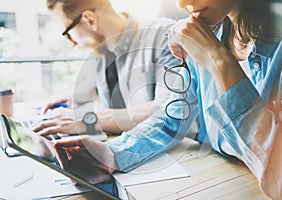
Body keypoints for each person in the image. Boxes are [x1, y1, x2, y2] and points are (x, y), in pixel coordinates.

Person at [53, 0, 282, 199]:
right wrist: (112, 154)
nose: (182, 4)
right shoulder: (205, 31)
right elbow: (172, 117)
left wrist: (218, 60)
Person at [32, 0, 190, 136]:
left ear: (89, 20)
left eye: (68, 34)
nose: (72, 44)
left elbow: (169, 110)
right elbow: (112, 93)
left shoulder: (164, 36)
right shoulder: (100, 51)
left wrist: (87, 119)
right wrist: (74, 99)